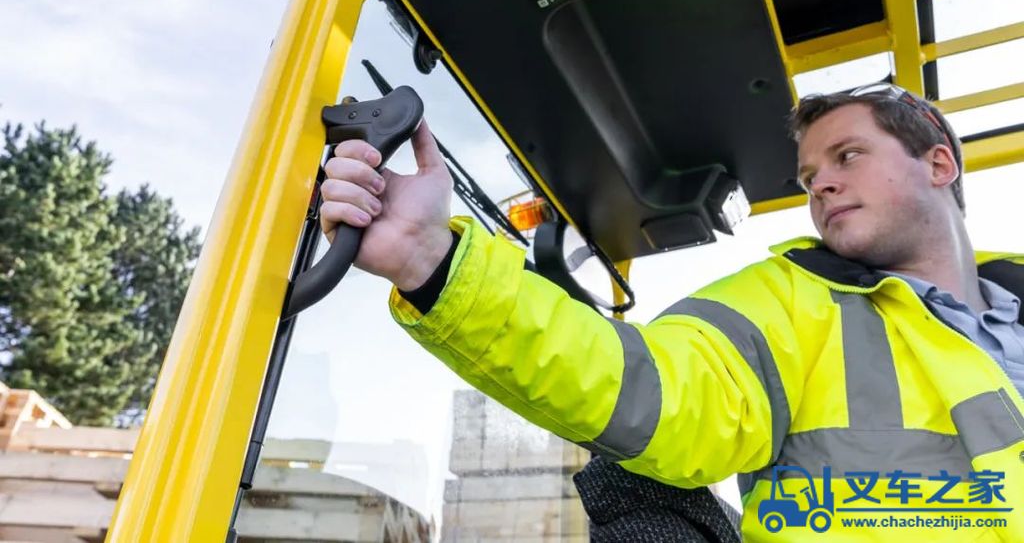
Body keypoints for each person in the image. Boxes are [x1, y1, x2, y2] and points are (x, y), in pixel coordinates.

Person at [319, 82, 1024, 541]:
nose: (823, 185)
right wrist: (430, 261)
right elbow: (642, 381)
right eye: (810, 176)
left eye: (847, 155)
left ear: (939, 166)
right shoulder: (791, 300)